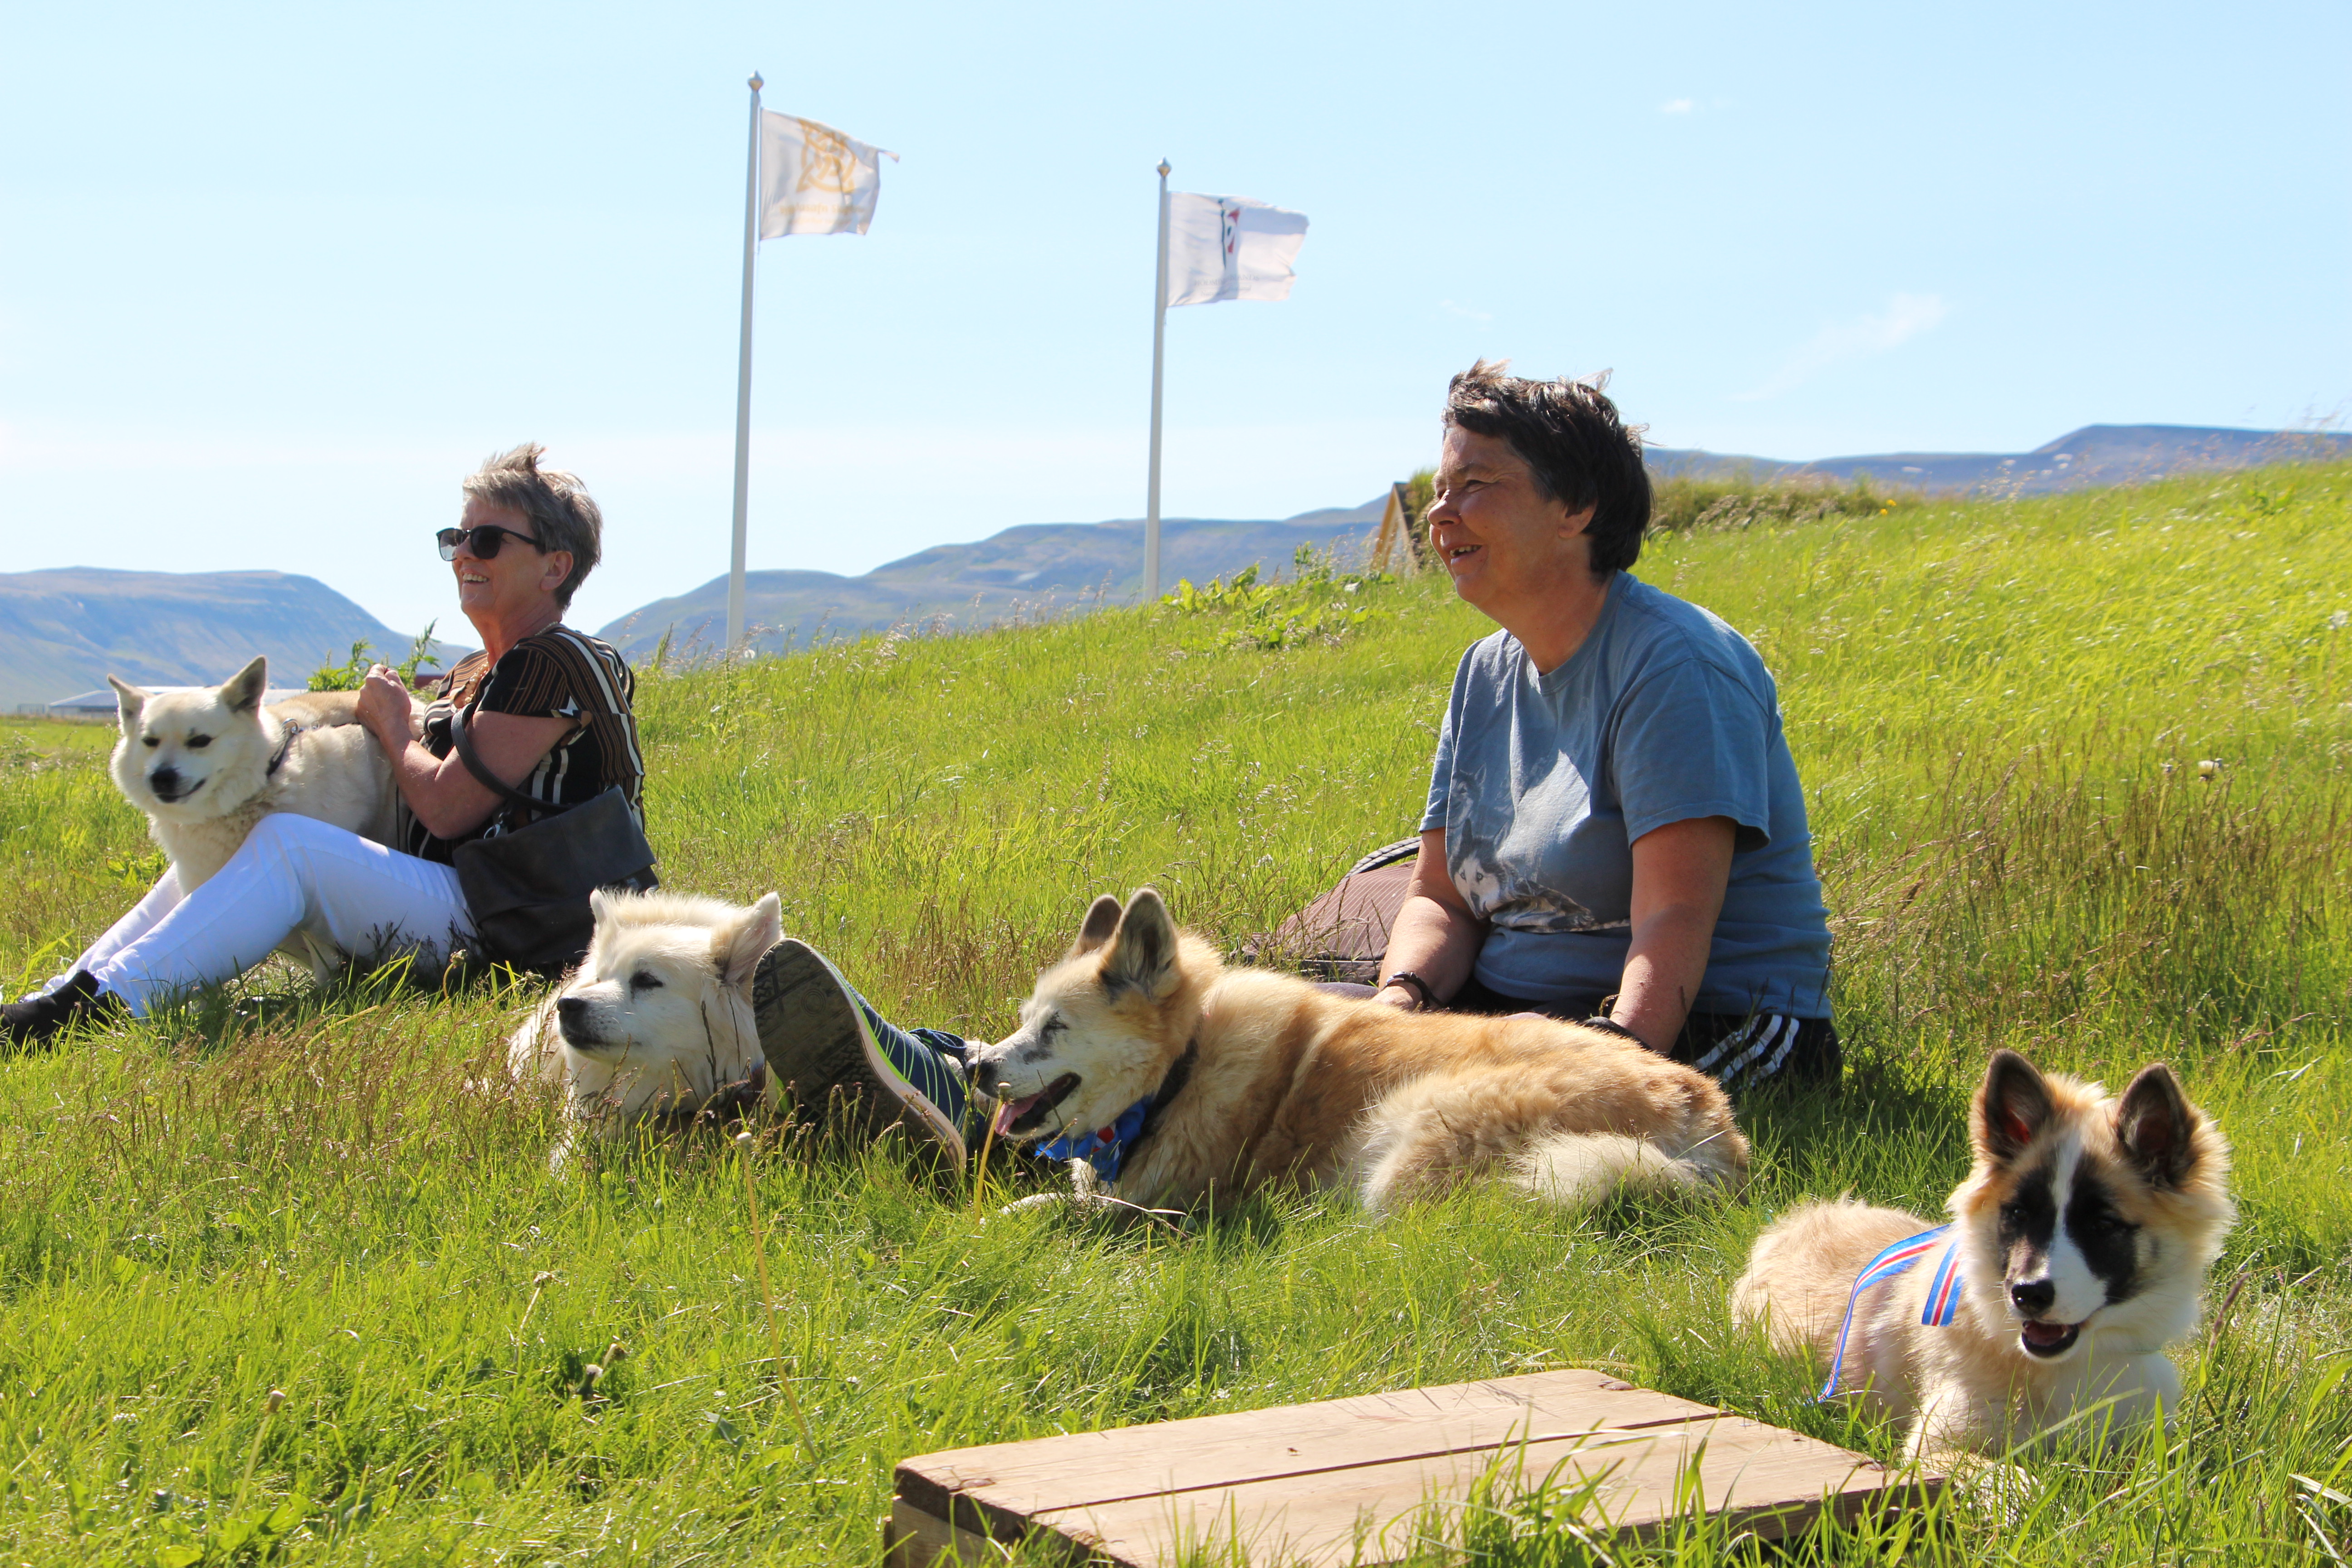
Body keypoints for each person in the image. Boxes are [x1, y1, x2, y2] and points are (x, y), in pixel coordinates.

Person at [4, 445, 645, 1044]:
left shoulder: (557, 659)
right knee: (214, 857)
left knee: (287, 846)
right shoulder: (476, 672)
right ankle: (62, 999)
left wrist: (393, 722)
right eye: (455, 539)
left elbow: (450, 810)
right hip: (476, 904)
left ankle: (94, 1008)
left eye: (485, 540)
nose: (463, 556)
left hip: (526, 923)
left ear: (555, 566)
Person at [1365, 361, 1837, 1087]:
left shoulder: (1675, 664)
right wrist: (1397, 1010)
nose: (1438, 514)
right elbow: (1439, 898)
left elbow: (1673, 919)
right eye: (1438, 491)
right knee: (1281, 1054)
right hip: (1518, 1011)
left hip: (1704, 1017)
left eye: (1476, 485)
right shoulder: (1483, 674)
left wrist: (1605, 1065)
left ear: (1576, 508)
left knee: (1484, 1115)